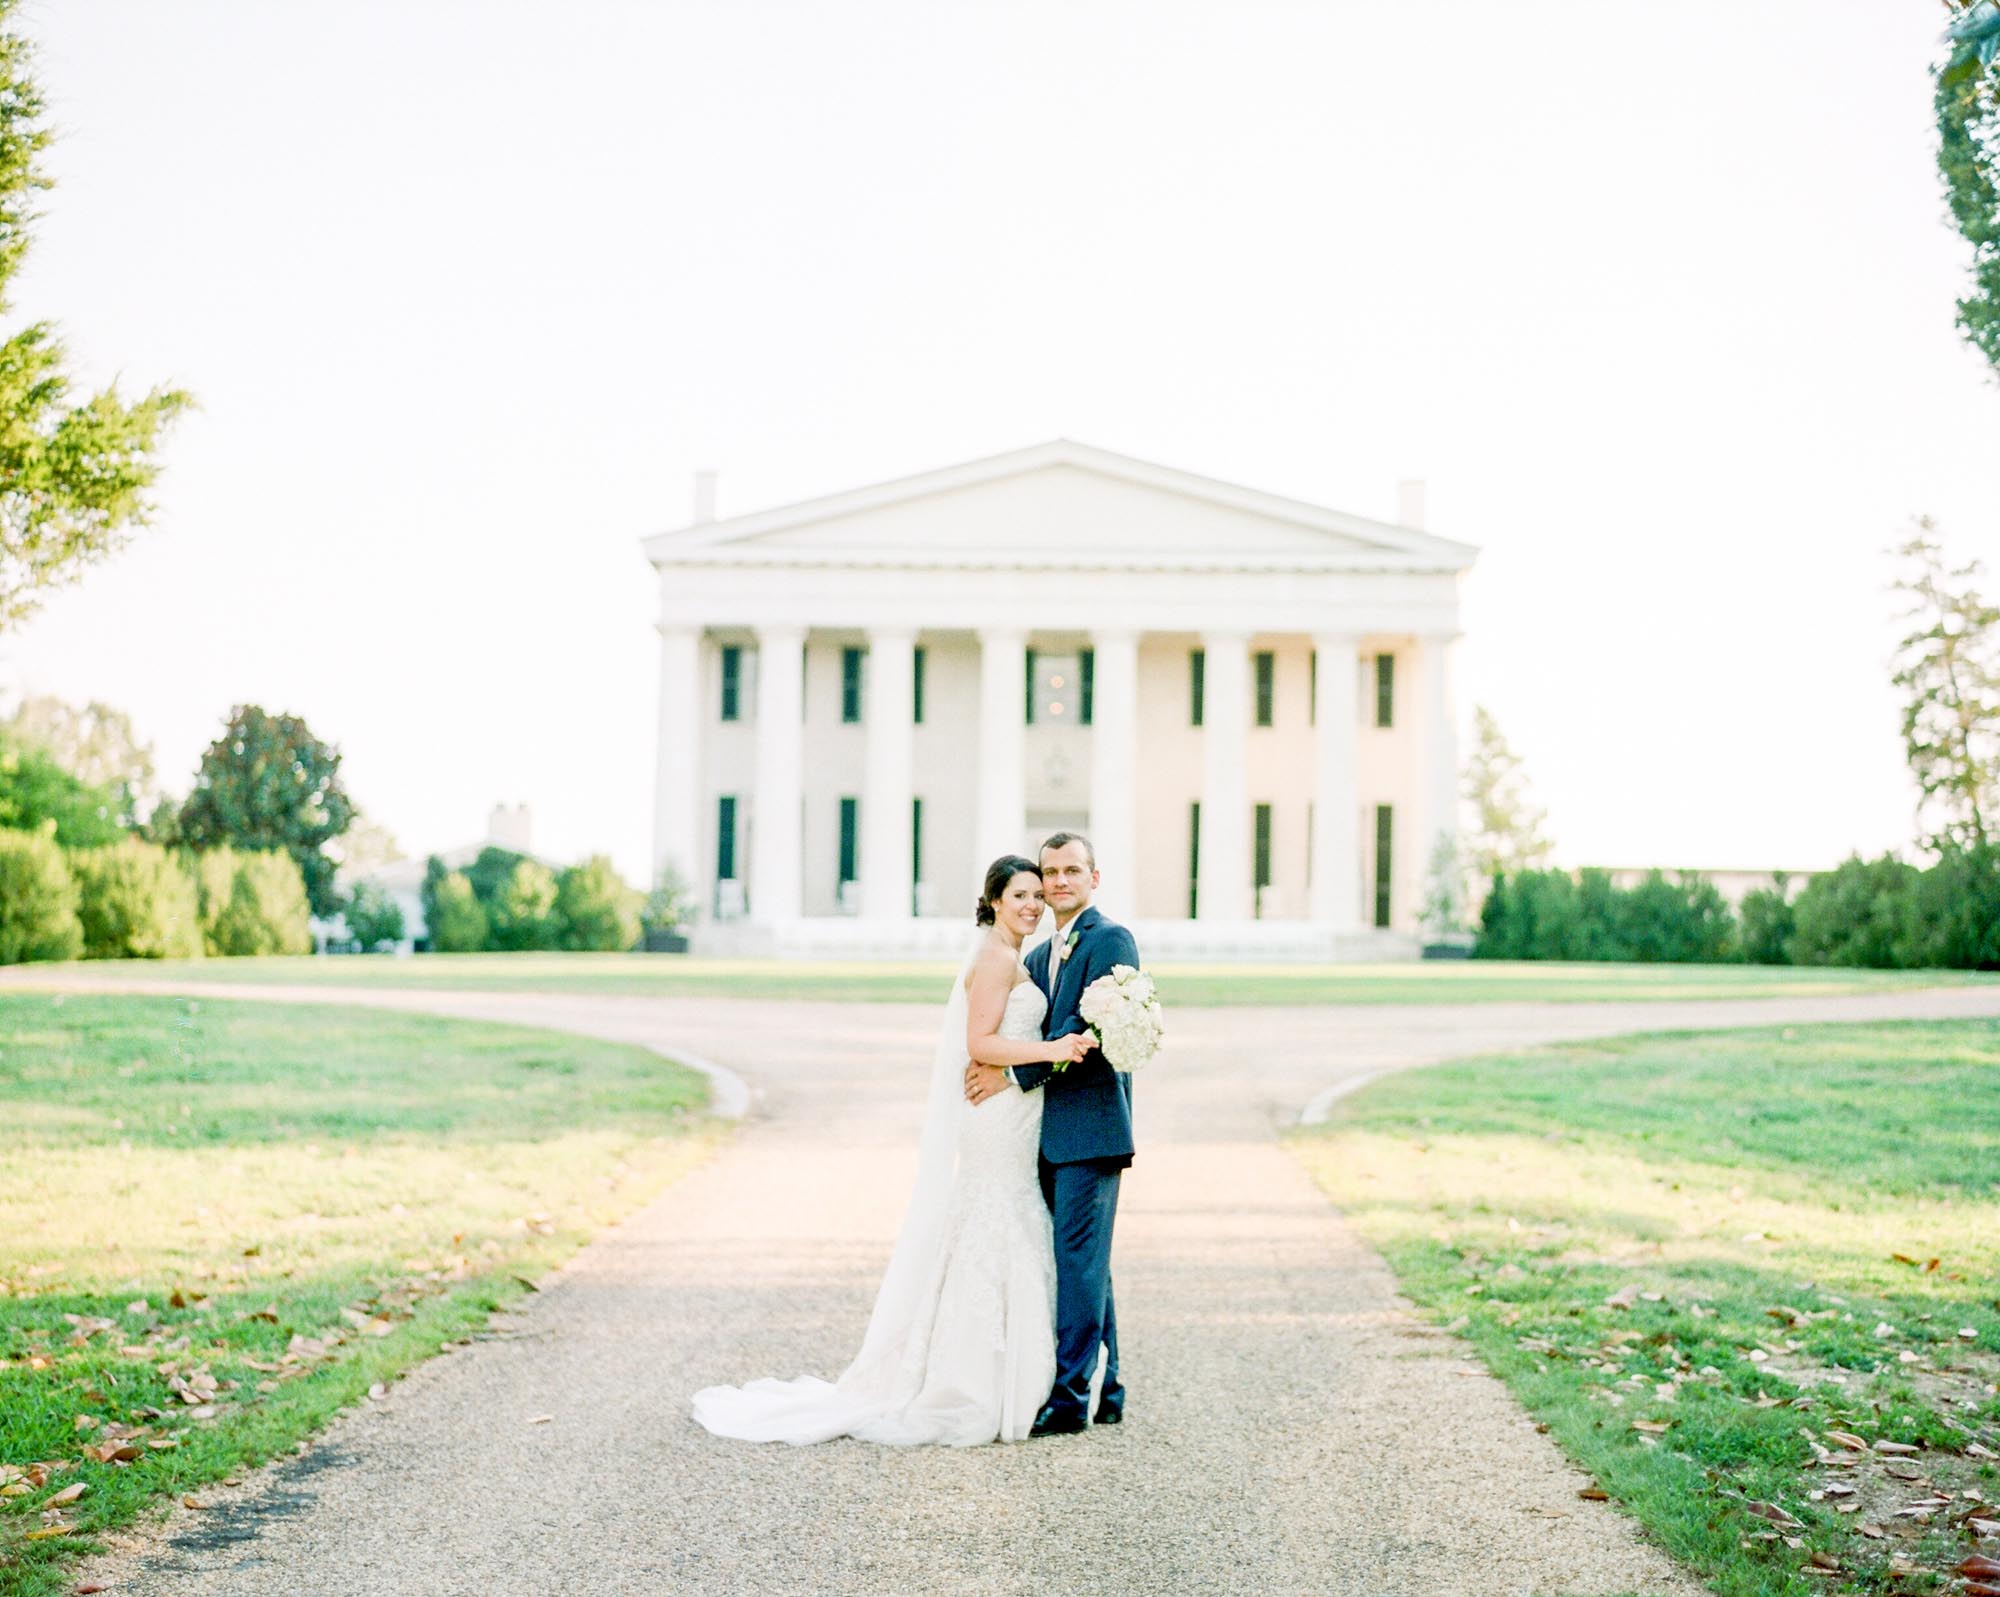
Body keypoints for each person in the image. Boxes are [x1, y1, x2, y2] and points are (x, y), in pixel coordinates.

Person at [689, 855, 1089, 1446]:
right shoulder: (995, 958)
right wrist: (1055, 1048)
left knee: (1012, 1219)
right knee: (994, 1220)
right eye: (1021, 895)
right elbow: (979, 1042)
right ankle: (975, 1381)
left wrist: (1034, 1061)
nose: (1033, 904)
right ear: (995, 901)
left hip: (1014, 1111)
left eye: (1038, 895)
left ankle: (1013, 1375)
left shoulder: (1015, 957)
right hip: (996, 1119)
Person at [964, 830, 1138, 1435]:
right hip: (1040, 1134)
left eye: (1071, 871)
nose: (1059, 883)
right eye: (1049, 873)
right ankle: (1107, 1387)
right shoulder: (1038, 956)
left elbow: (1082, 1030)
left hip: (1090, 1131)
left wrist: (1008, 1072)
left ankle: (1069, 1401)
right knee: (1087, 1263)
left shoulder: (1111, 939)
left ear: (1094, 877)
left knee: (1080, 1265)